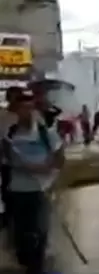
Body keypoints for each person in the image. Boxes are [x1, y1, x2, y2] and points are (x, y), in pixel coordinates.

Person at [3, 89, 64, 274]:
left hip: (42, 188)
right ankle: (26, 261)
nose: (27, 113)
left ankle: (37, 266)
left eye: (30, 108)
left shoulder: (45, 133)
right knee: (22, 233)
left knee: (40, 230)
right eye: (23, 109)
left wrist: (48, 167)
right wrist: (18, 164)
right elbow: (6, 158)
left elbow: (59, 157)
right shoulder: (10, 135)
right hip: (18, 189)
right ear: (16, 111)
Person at [0, 86, 23, 229]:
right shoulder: (2, 116)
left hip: (27, 161)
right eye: (12, 97)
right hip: (7, 160)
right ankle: (8, 217)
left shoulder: (27, 115)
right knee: (7, 188)